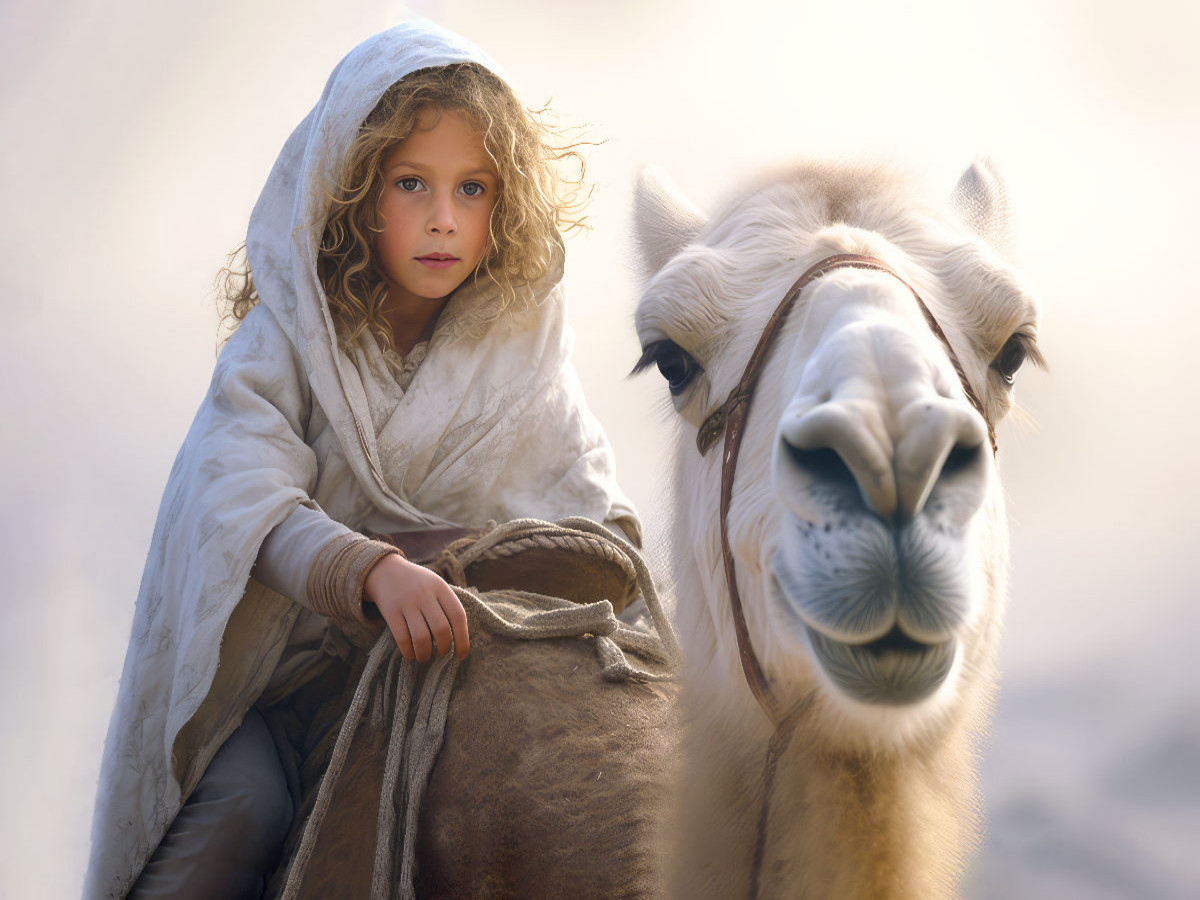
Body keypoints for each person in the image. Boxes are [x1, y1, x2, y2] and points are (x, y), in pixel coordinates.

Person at [85, 20, 637, 900]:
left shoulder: (524, 361)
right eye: (411, 184)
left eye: (472, 189)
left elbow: (595, 520)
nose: (444, 219)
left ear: (505, 207)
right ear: (356, 193)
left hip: (454, 669)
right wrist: (374, 569)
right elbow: (239, 497)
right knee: (247, 810)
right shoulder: (286, 342)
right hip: (283, 683)